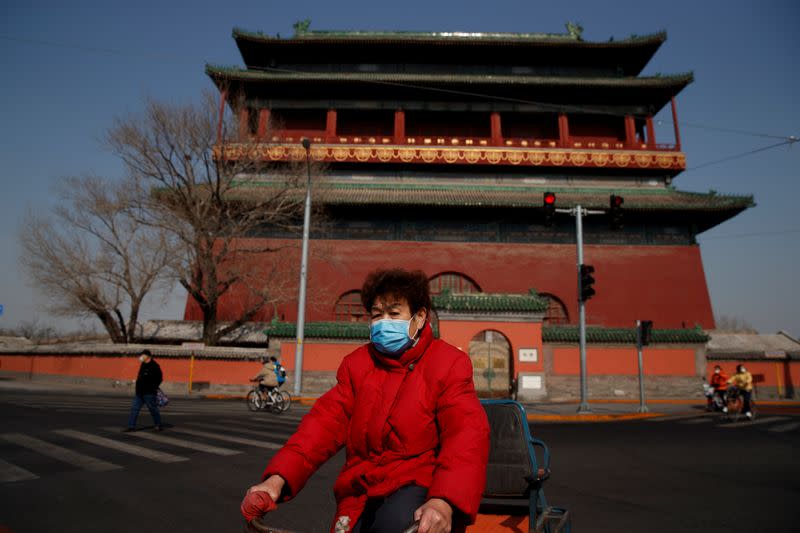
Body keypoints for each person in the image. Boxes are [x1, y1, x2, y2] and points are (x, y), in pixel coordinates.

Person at [241, 269, 490, 533]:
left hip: (417, 484)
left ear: (420, 317)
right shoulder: (357, 365)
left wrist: (443, 500)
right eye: (376, 315)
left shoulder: (448, 363)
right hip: (359, 489)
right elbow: (323, 425)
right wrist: (277, 480)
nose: (383, 322)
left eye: (394, 314)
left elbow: (467, 434)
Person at [124, 349, 163, 431]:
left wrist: (152, 387)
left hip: (149, 393)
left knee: (153, 409)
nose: (141, 357)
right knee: (134, 408)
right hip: (139, 392)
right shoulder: (143, 364)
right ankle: (131, 426)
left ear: (147, 356)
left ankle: (158, 424)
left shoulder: (155, 366)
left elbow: (159, 378)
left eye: (142, 355)